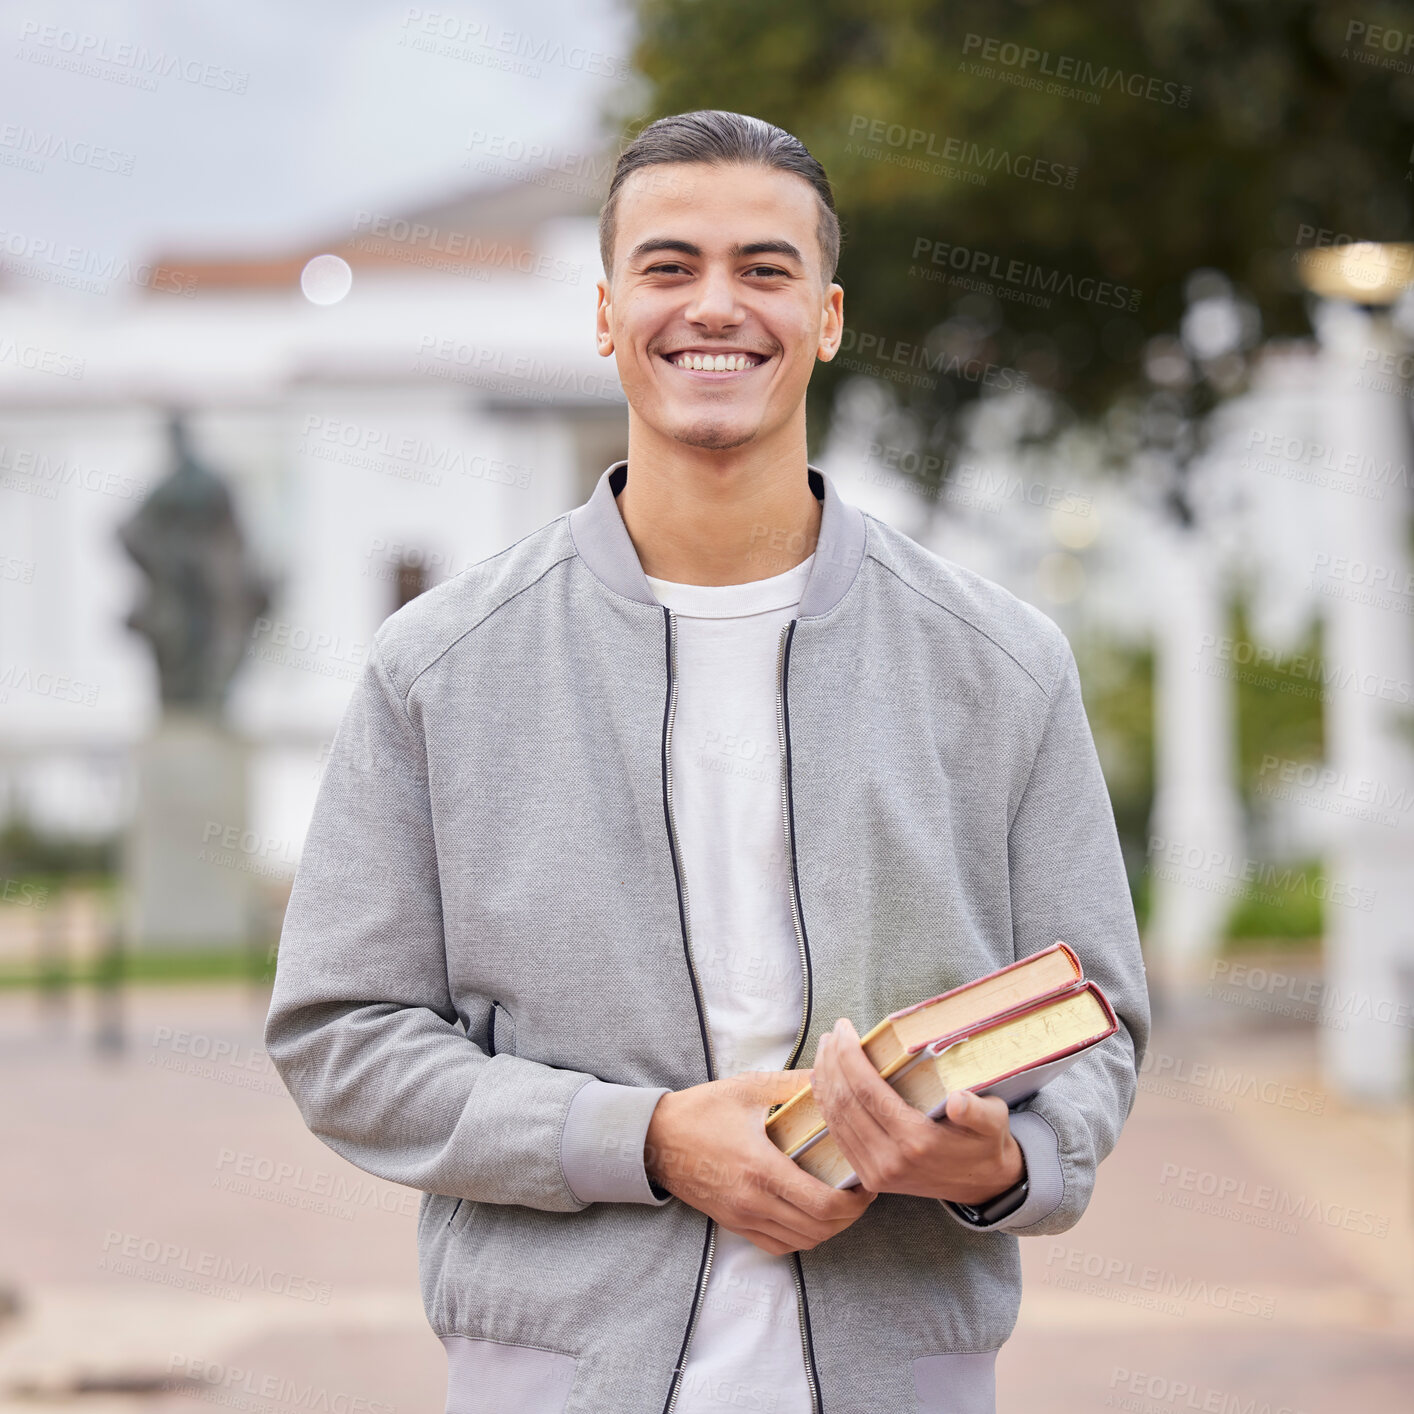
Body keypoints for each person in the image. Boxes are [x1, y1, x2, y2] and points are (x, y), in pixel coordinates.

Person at [264, 109, 1150, 1414]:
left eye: (765, 268)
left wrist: (990, 1163)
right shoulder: (440, 668)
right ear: (608, 314)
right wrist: (649, 1142)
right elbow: (342, 1033)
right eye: (670, 268)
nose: (715, 306)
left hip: (902, 1377)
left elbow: (1099, 1019)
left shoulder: (999, 664)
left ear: (829, 315)